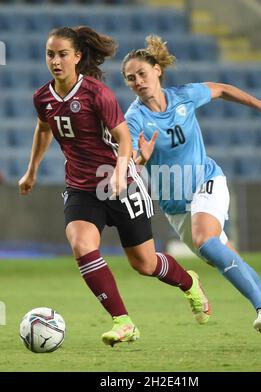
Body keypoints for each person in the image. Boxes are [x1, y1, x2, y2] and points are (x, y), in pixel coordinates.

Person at [18, 27, 211, 347]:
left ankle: (189, 281)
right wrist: (32, 170)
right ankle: (123, 321)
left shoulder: (96, 93)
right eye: (50, 54)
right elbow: (43, 129)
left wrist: (122, 170)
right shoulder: (42, 97)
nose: (55, 60)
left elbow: (122, 137)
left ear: (78, 57)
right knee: (81, 244)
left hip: (121, 185)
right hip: (81, 188)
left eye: (63, 54)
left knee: (145, 264)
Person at [122, 35, 261, 346]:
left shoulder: (185, 97)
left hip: (207, 181)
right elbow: (129, 162)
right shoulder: (134, 119)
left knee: (206, 239)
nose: (138, 81)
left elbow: (223, 89)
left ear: (157, 71)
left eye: (142, 74)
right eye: (130, 78)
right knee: (225, 258)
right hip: (176, 206)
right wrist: (141, 158)